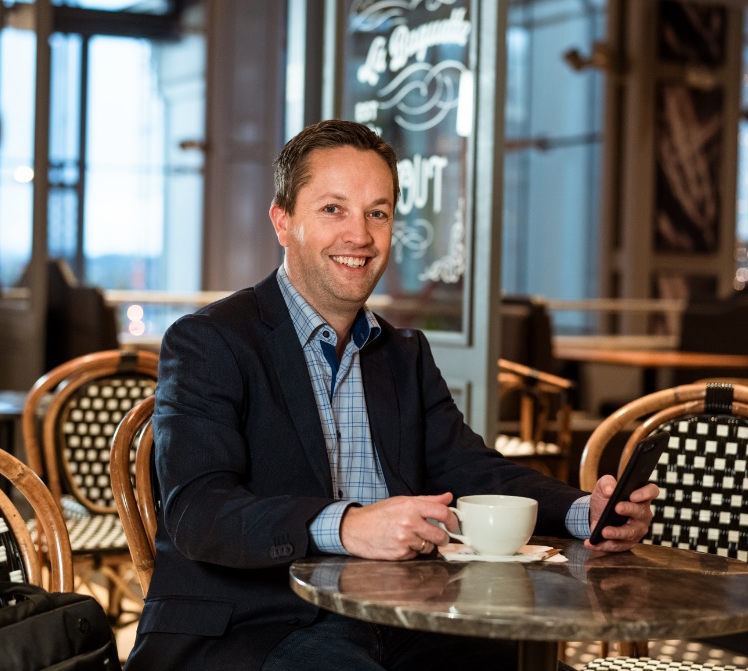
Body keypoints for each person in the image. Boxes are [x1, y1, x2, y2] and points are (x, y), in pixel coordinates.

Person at [126, 119, 658, 671]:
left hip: (401, 619)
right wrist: (347, 524)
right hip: (254, 628)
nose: (359, 235)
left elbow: (475, 471)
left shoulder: (404, 354)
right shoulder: (209, 341)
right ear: (283, 222)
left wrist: (585, 512)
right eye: (333, 209)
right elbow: (199, 511)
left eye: (377, 213)